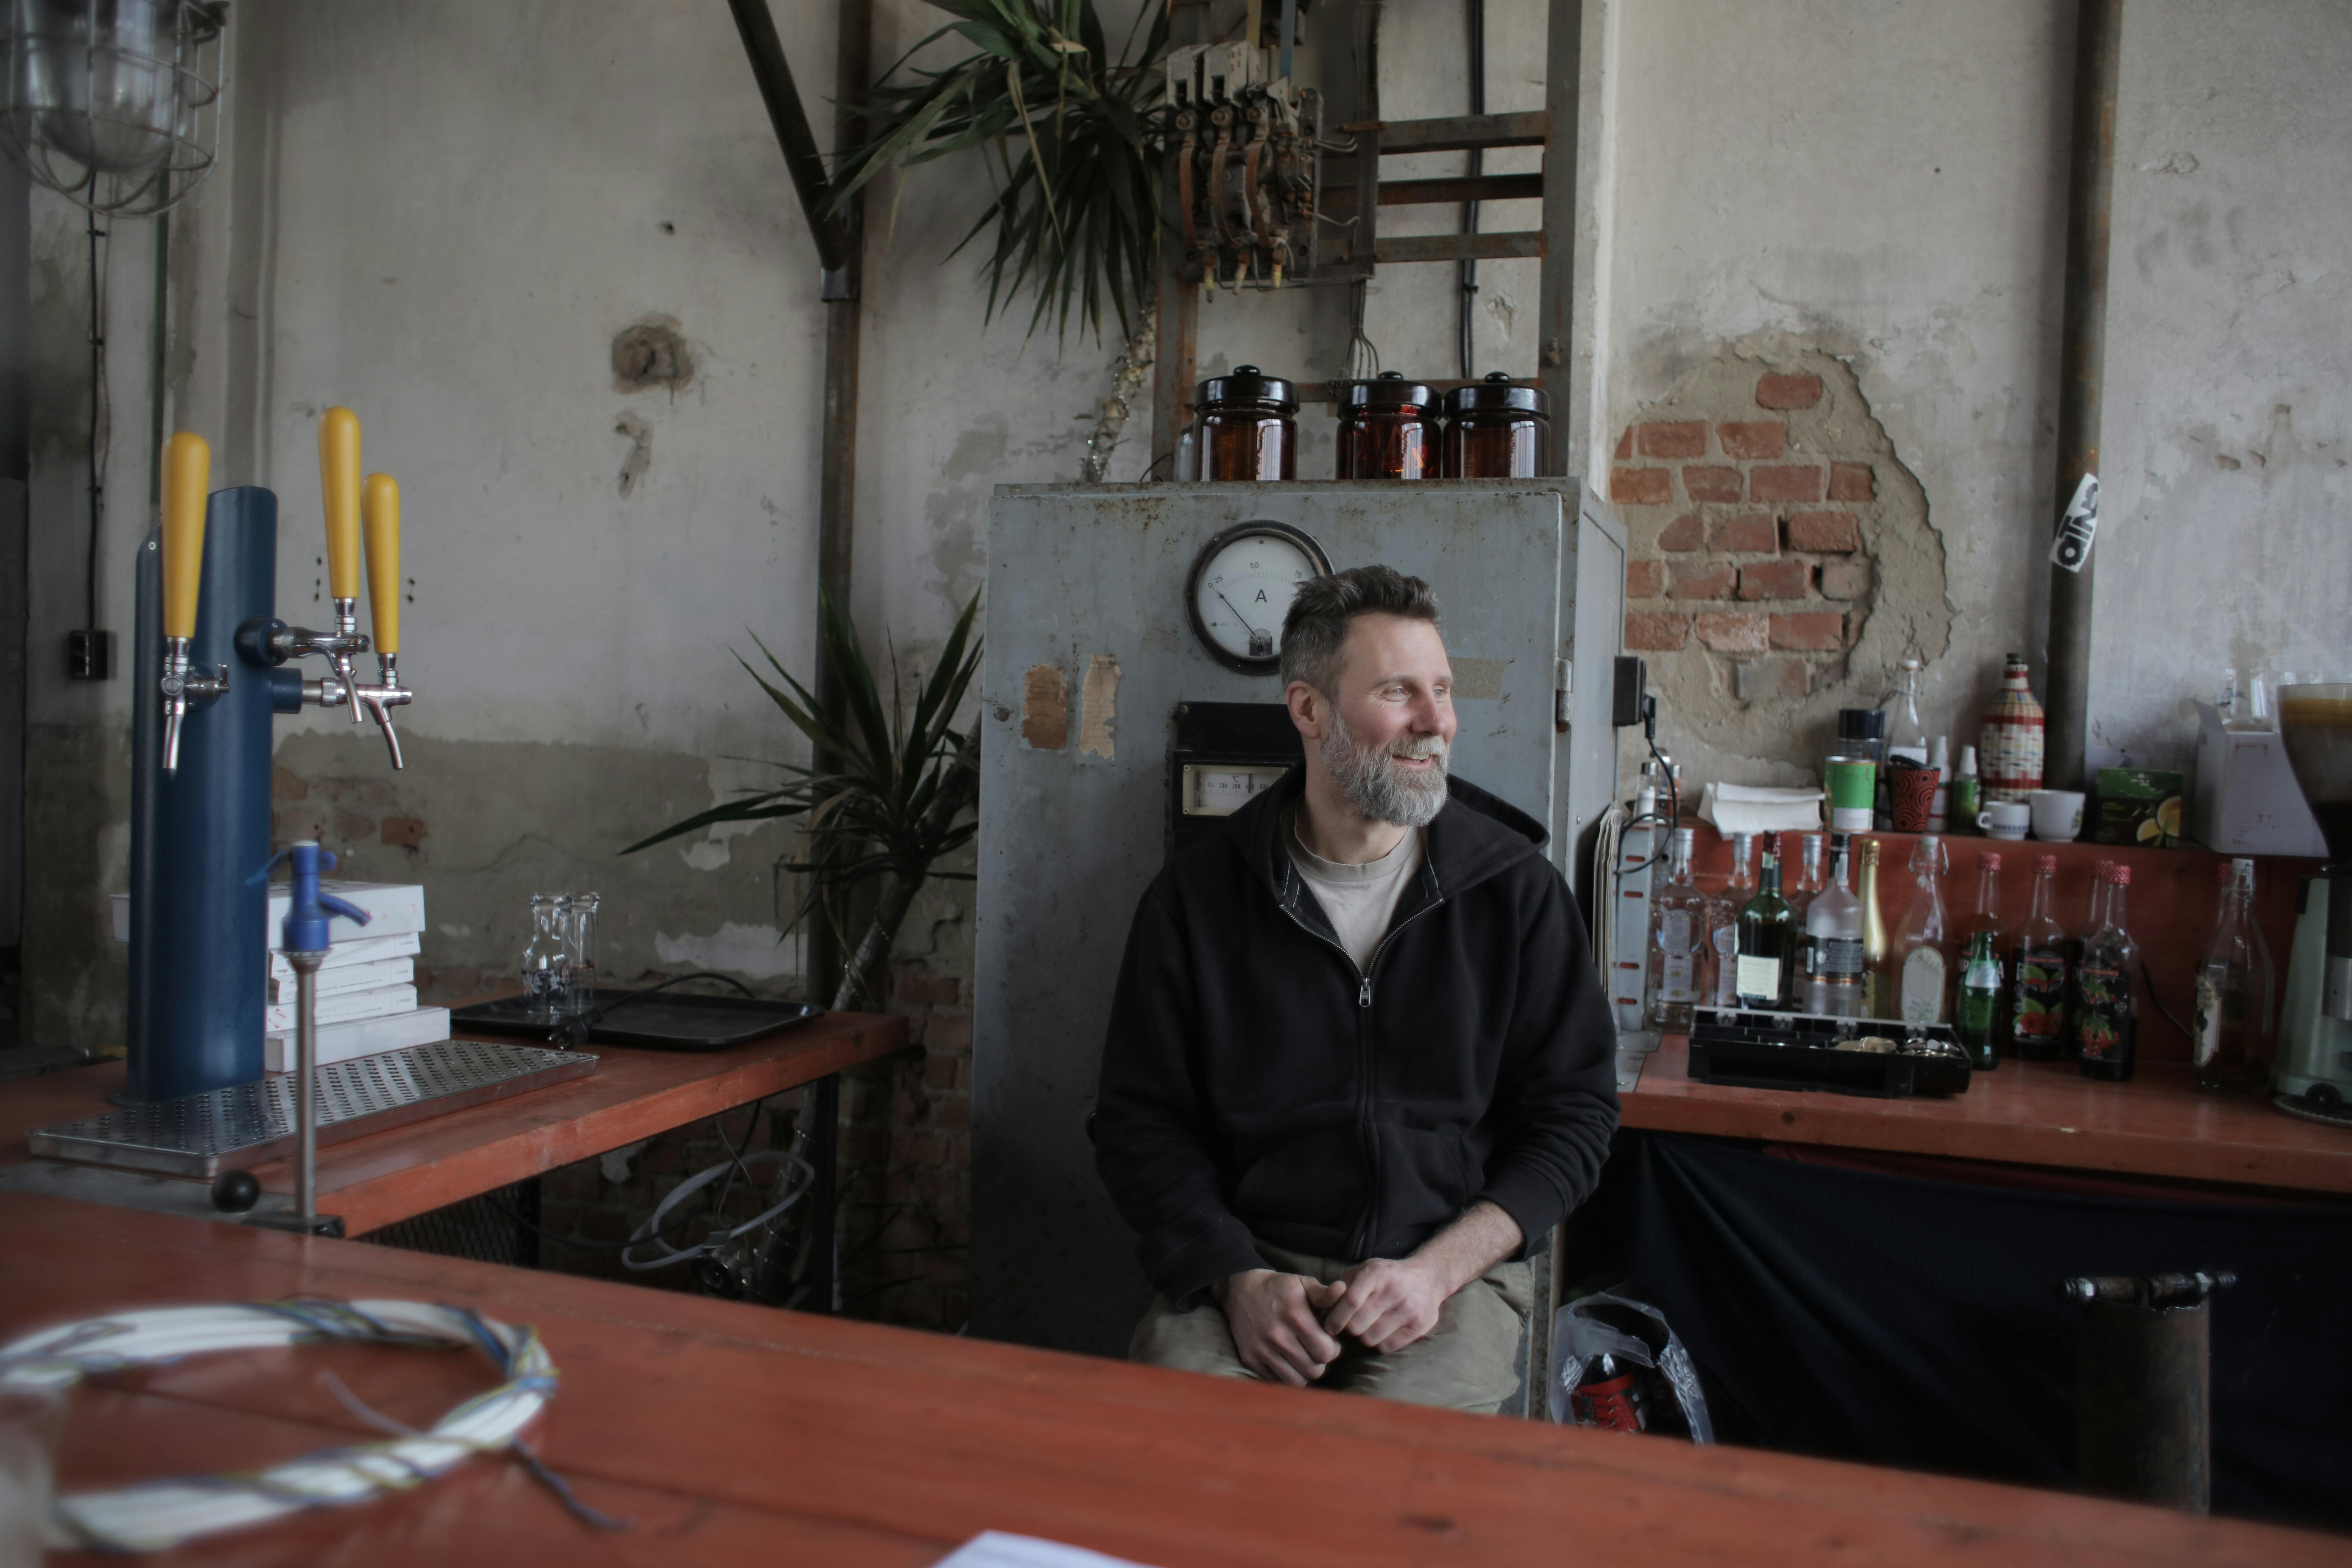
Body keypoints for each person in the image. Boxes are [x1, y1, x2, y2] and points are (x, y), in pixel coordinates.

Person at [1091, 564, 1620, 1412]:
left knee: (1394, 1487)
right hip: (1249, 1265)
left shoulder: (1514, 892)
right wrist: (1233, 1276)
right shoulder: (1196, 900)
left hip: (1442, 1279)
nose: (1437, 722)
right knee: (1186, 1457)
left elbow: (1577, 1118)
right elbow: (1139, 1125)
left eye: (1442, 690)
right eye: (1398, 692)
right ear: (1309, 710)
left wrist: (1436, 1272)